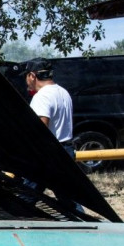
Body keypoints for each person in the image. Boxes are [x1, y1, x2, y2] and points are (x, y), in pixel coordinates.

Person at [20, 58, 82, 211]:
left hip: (47, 153)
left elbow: (41, 130)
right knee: (68, 197)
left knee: (26, 195)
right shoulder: (63, 92)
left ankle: (15, 225)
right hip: (66, 150)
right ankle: (86, 227)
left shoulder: (42, 96)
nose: (26, 81)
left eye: (26, 76)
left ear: (32, 76)